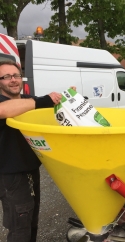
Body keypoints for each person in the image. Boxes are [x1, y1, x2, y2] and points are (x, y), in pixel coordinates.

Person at [0, 60, 62, 242]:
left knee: (31, 220)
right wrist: (43, 100)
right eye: (6, 77)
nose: (13, 80)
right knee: (20, 227)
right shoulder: (6, 103)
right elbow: (4, 110)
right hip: (11, 176)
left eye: (16, 75)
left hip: (31, 170)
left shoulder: (28, 100)